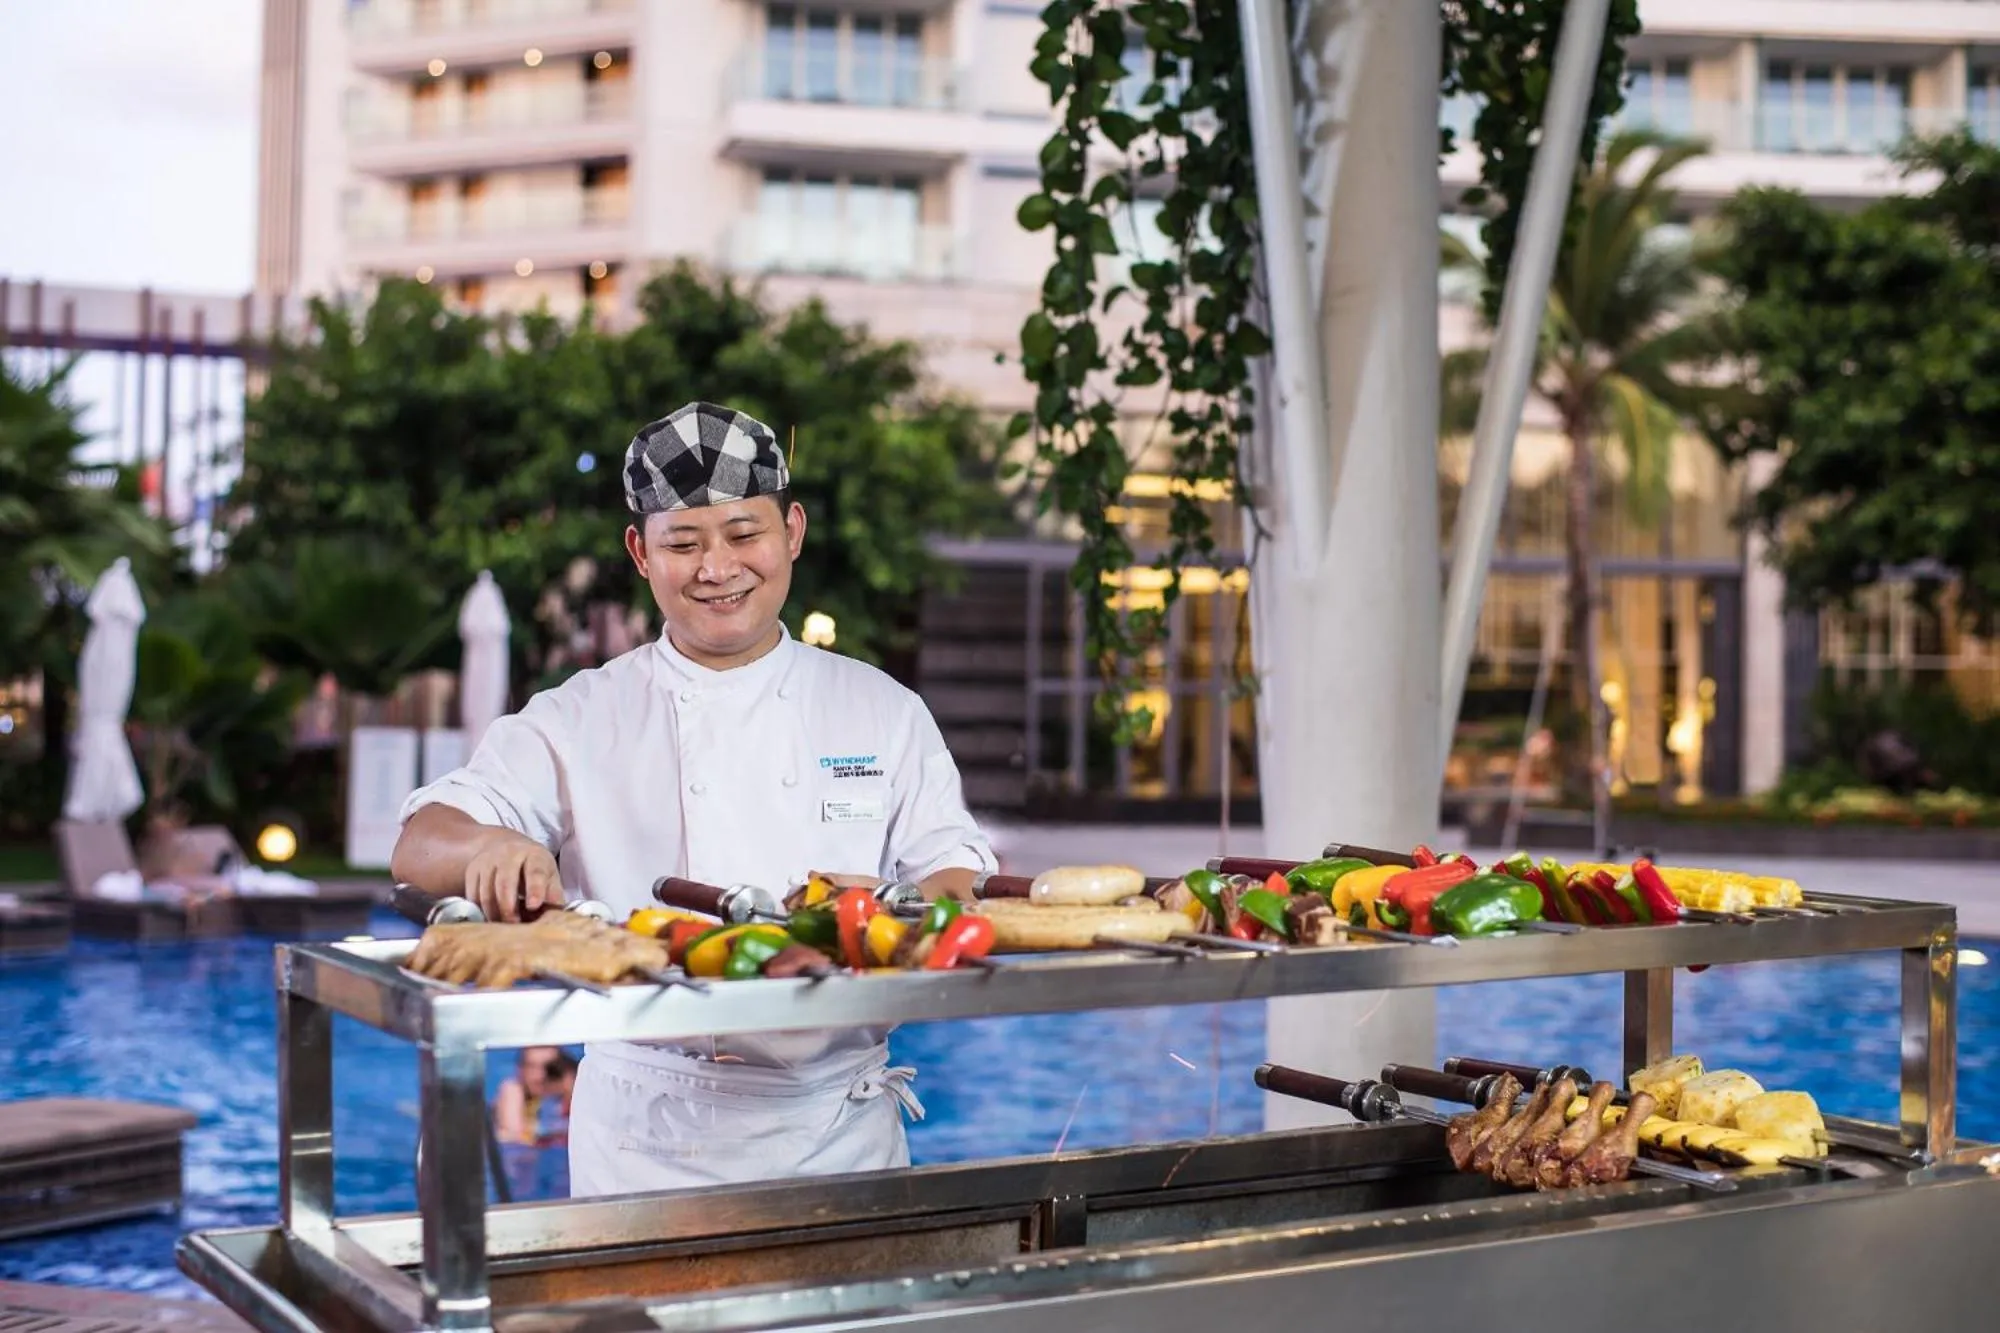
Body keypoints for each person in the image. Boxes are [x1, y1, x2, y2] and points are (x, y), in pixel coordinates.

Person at [391, 400, 995, 1195]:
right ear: (641, 552)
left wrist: (894, 904)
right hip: (642, 1137)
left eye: (745, 534)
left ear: (794, 533)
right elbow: (419, 839)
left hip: (837, 1134)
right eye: (684, 542)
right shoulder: (581, 714)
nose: (718, 567)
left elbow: (958, 876)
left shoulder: (880, 709)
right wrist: (488, 847)